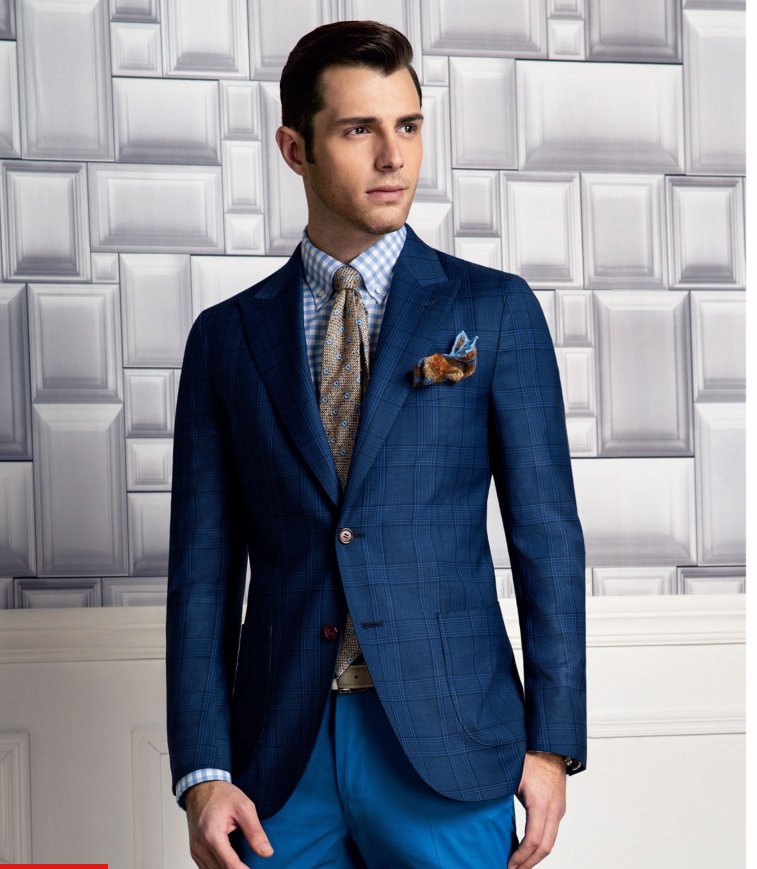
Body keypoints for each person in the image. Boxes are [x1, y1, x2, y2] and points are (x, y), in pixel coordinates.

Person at [166, 19, 586, 869]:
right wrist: (203, 771)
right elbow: (202, 573)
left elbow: (546, 538)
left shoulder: (494, 309)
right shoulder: (226, 338)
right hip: (277, 761)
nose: (393, 156)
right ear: (295, 149)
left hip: (448, 744)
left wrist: (552, 743)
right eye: (359, 129)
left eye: (408, 125)